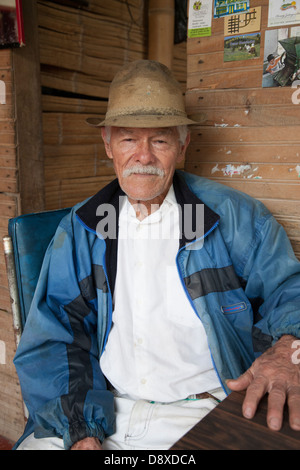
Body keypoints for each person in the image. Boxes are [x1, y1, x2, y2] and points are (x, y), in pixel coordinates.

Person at [13, 60, 300, 451]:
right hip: (105, 406)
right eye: (129, 139)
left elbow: (290, 292)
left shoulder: (233, 218)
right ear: (107, 143)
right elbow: (53, 335)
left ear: (182, 146)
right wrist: (80, 428)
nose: (143, 156)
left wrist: (287, 349)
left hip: (204, 408)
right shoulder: (84, 227)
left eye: (160, 140)